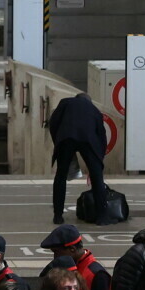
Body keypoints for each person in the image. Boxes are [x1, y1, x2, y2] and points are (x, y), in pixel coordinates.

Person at [46, 92, 110, 224]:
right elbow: (102, 136)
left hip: (66, 138)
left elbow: (53, 123)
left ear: (76, 98)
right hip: (89, 141)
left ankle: (58, 215)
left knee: (61, 176)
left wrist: (58, 143)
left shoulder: (65, 102)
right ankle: (102, 217)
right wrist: (99, 160)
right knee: (97, 177)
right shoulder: (94, 110)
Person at [42, 224, 113, 290]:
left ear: (72, 249)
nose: (55, 257)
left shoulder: (96, 274)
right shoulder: (73, 267)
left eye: (57, 252)